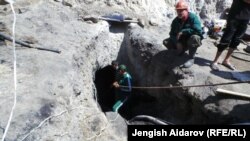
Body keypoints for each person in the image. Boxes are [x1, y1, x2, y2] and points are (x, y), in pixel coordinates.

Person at [210, 0, 250, 71]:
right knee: (226, 39)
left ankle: (226, 60)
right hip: (234, 17)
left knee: (236, 40)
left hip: (245, 19)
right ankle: (215, 61)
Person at [163, 0, 203, 68]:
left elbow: (199, 31)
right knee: (166, 42)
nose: (179, 12)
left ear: (186, 10)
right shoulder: (176, 21)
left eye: (181, 10)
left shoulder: (193, 18)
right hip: (181, 41)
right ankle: (180, 50)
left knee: (195, 38)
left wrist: (184, 31)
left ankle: (191, 58)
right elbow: (172, 34)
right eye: (178, 10)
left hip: (190, 41)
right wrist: (177, 42)